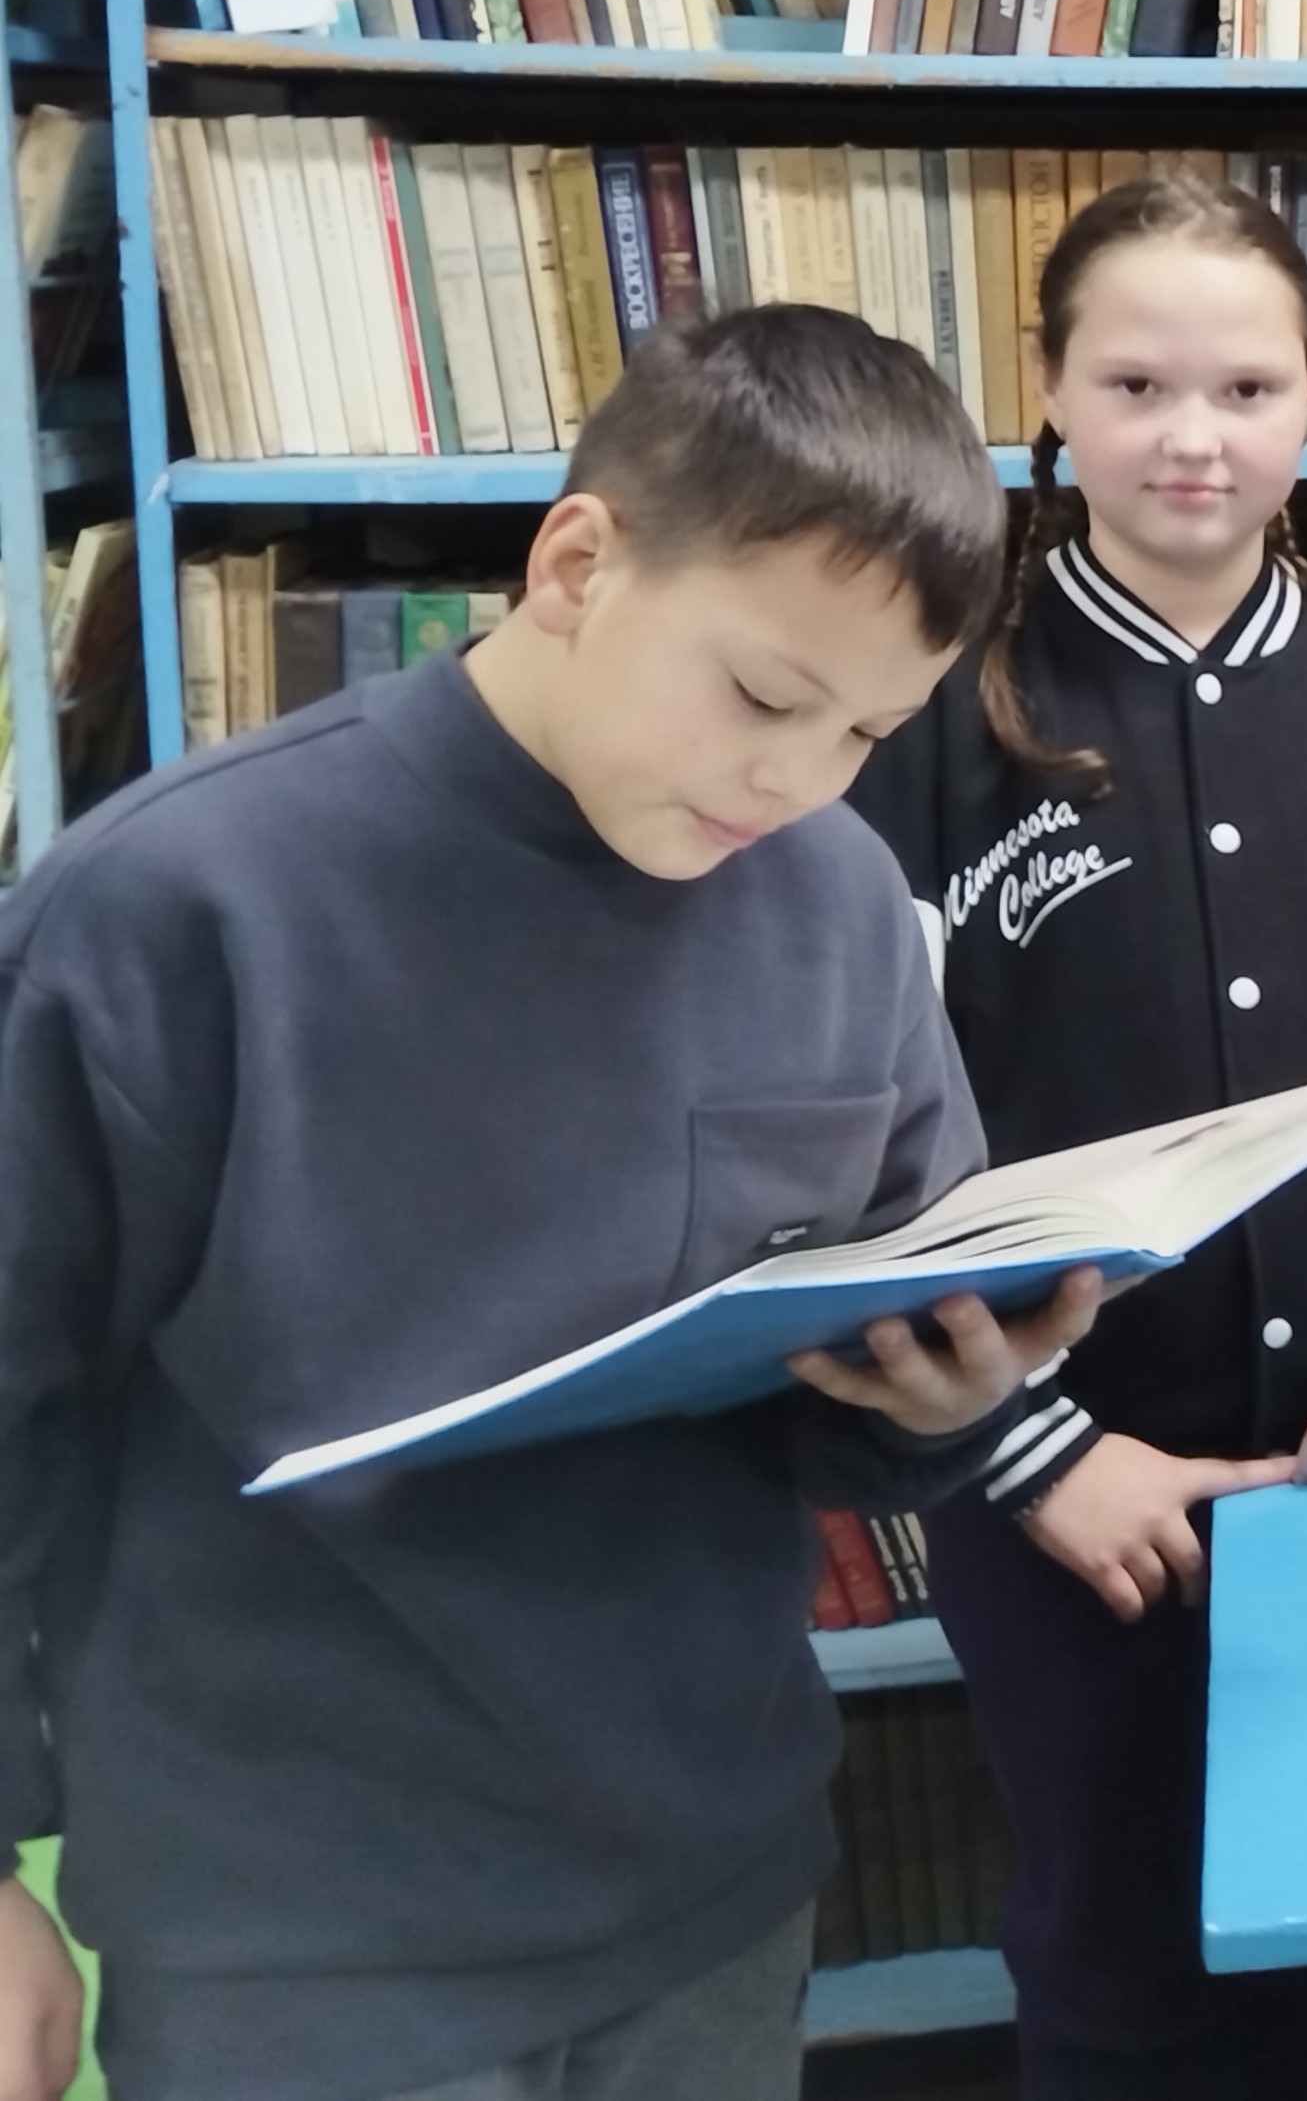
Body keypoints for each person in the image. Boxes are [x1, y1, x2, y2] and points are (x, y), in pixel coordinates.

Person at [0, 311, 1098, 2101]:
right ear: (579, 561)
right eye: (764, 697)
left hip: (709, 1894)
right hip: (299, 1937)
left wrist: (947, 1397)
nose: (796, 779)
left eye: (867, 731)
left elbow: (850, 1390)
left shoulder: (833, 900)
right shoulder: (174, 908)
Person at [847, 176, 1307, 2099]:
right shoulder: (931, 711)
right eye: (1135, 384)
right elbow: (858, 1139)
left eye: (1246, 387)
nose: (1192, 437)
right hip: (1077, 1494)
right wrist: (1029, 1445)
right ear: (1050, 389)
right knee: (1125, 1955)